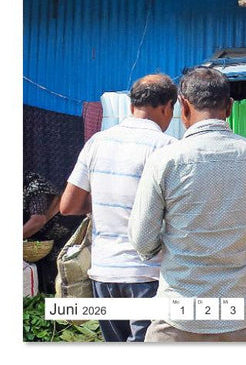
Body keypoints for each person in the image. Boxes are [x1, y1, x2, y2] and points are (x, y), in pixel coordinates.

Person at [129, 67, 246, 342]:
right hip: (239, 316)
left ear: (183, 107)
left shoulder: (166, 161)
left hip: (178, 317)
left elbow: (142, 241)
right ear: (230, 107)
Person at [60, 73, 178, 342]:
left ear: (130, 106)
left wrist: (106, 198)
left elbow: (68, 205)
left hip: (104, 272)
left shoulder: (97, 142)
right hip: (147, 274)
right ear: (168, 106)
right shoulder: (168, 147)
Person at [24, 171, 75, 294]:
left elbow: (38, 221)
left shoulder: (35, 184)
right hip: (38, 241)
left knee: (58, 275)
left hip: (61, 231)